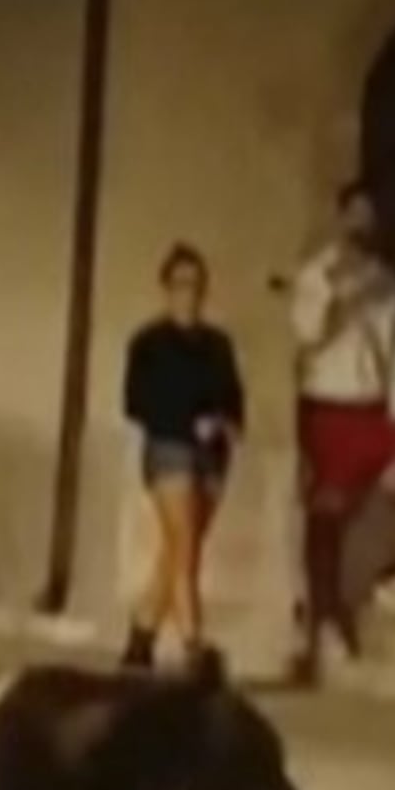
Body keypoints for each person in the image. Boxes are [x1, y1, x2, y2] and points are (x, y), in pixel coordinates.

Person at [287, 182, 395, 658]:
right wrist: (337, 296)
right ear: (341, 219)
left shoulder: (390, 284)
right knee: (326, 511)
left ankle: (384, 571)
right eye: (355, 216)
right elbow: (306, 336)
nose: (362, 227)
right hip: (328, 402)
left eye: (370, 218)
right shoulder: (317, 275)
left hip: (373, 407)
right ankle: (325, 615)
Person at [120, 244, 245, 671]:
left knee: (178, 551)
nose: (189, 294)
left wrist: (224, 423)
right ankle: (195, 648)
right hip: (170, 448)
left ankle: (141, 636)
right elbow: (136, 403)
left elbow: (234, 396)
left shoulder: (218, 344)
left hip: (212, 455)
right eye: (180, 285)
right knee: (186, 550)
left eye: (196, 285)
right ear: (166, 289)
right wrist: (188, 418)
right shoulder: (148, 343)